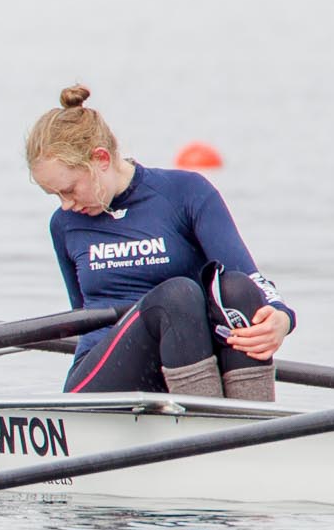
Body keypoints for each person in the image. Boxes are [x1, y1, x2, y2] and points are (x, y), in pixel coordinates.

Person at [27, 84, 293, 399]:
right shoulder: (65, 225)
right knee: (176, 296)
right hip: (104, 373)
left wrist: (281, 317)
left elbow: (249, 276)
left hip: (186, 356)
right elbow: (80, 313)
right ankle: (208, 426)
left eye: (69, 189)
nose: (66, 204)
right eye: (55, 195)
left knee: (237, 290)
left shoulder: (185, 193)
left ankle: (251, 429)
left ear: (100, 159)